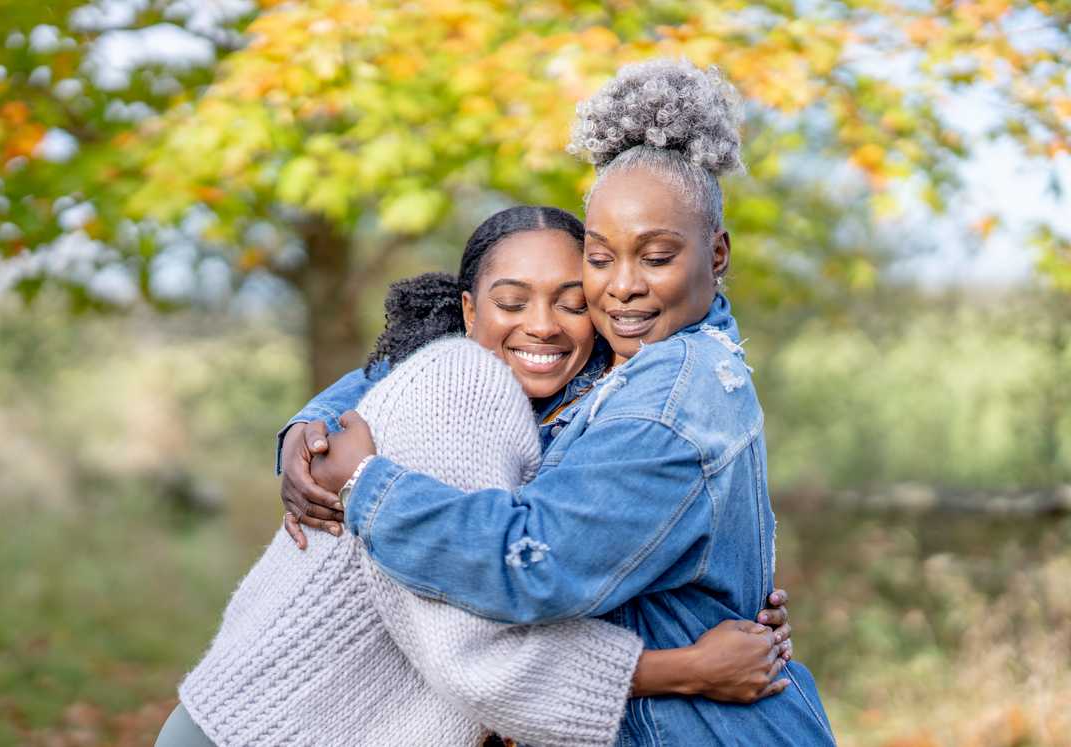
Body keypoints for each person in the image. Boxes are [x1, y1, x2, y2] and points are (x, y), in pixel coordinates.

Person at [302, 60, 836, 745]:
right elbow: (445, 355)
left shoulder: (665, 407)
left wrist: (366, 488)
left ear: (718, 253)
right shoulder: (649, 353)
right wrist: (310, 424)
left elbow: (530, 564)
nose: (623, 287)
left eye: (657, 255)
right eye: (602, 256)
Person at [156, 206, 793, 747]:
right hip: (269, 729)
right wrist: (688, 668)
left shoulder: (578, 405)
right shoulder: (466, 387)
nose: (542, 324)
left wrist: (725, 603)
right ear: (467, 310)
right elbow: (476, 657)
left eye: (571, 303)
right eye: (511, 302)